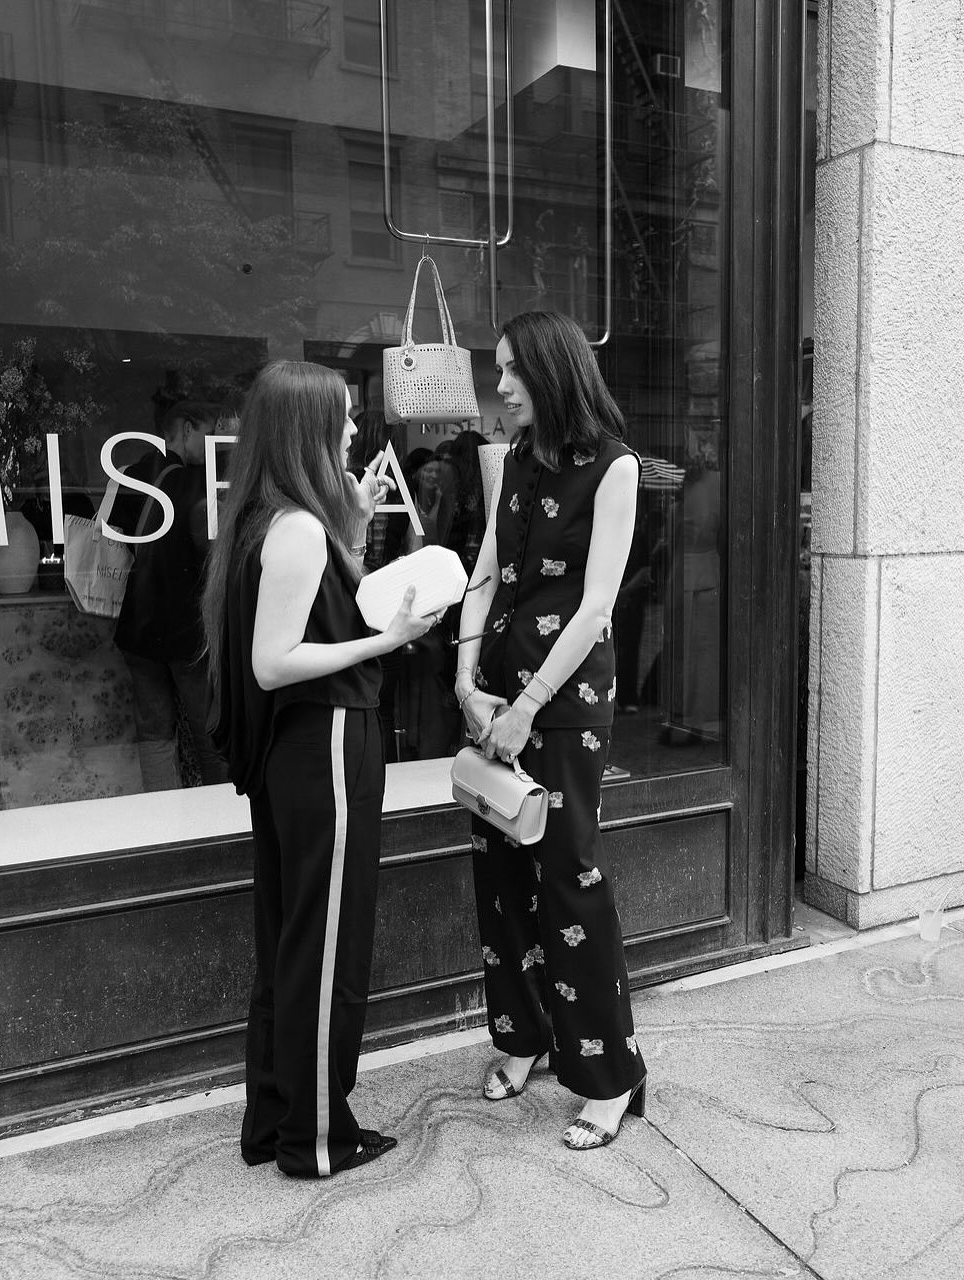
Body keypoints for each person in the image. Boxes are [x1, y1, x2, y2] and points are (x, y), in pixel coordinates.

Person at [201, 360, 435, 1178]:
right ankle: (317, 1139)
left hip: (301, 753)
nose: (352, 432)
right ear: (307, 429)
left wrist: (356, 528)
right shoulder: (295, 527)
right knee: (329, 947)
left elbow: (323, 606)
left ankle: (275, 1126)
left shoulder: (276, 520)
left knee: (293, 942)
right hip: (329, 743)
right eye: (342, 418)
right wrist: (390, 641)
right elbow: (277, 660)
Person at [454, 311, 646, 1151]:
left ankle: (609, 1076)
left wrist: (529, 704)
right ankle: (523, 1037)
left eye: (508, 372)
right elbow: (485, 577)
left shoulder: (615, 468)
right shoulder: (512, 464)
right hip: (493, 700)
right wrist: (466, 683)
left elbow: (596, 604)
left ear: (549, 370)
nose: (498, 387)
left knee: (569, 879)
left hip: (562, 707)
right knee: (499, 878)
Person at [111, 401, 228, 791]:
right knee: (207, 733)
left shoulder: (134, 474)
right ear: (188, 428)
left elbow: (116, 535)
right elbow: (211, 555)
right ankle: (218, 826)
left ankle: (162, 822)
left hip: (139, 622)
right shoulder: (198, 483)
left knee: (154, 731)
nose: (211, 447)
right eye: (209, 435)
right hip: (186, 627)